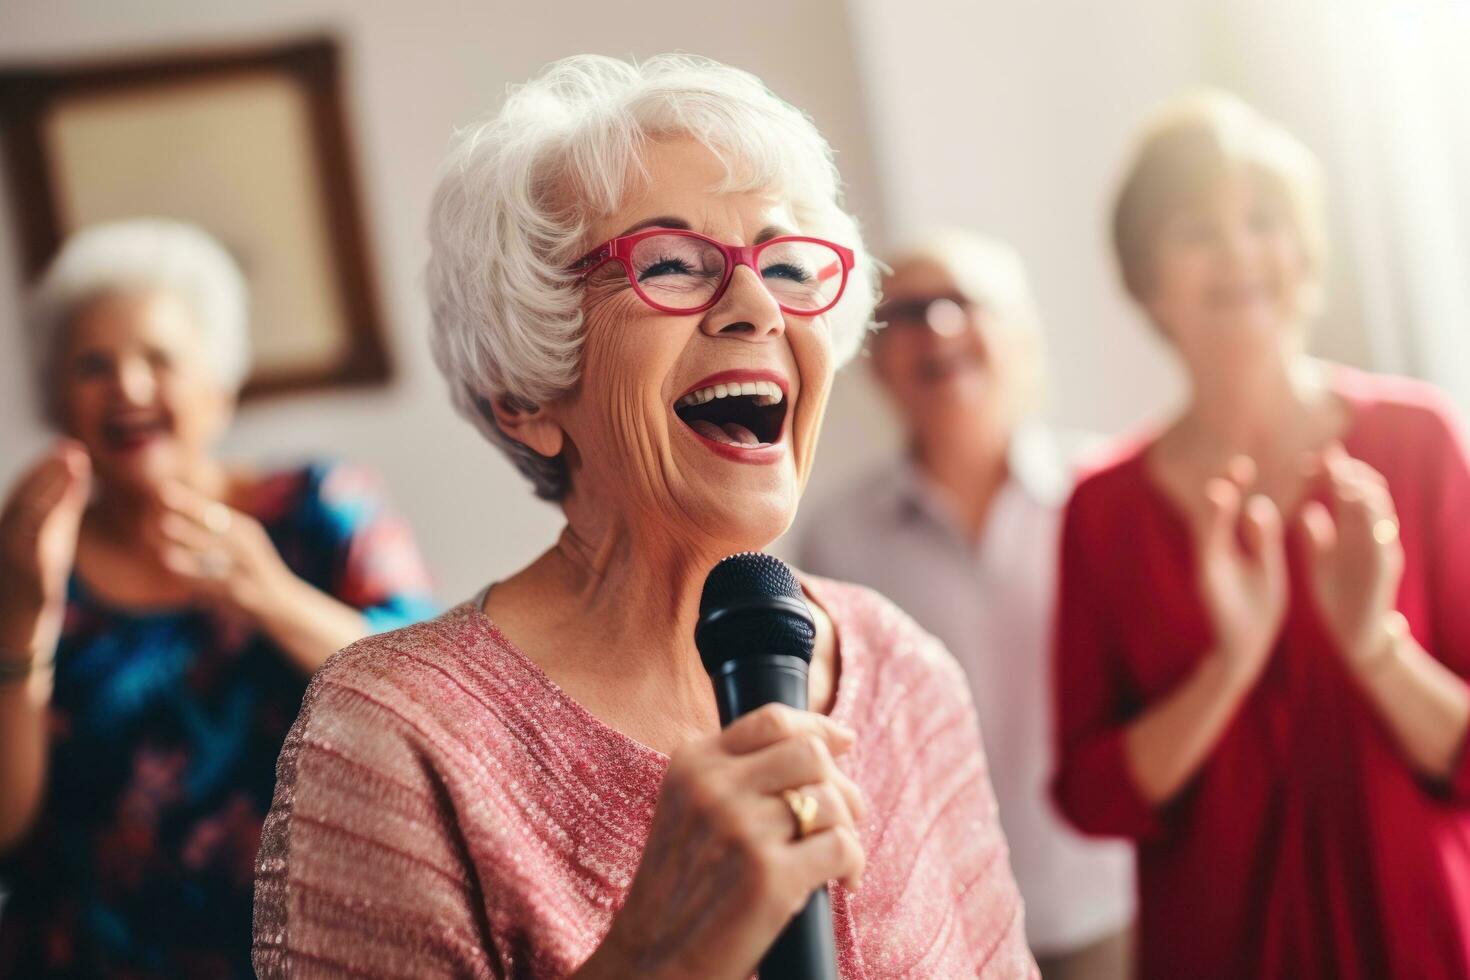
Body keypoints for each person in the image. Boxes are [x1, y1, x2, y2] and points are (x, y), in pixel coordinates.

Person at [251, 54, 1037, 979]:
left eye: (785, 264)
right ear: (526, 396)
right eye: (669, 264)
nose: (755, 306)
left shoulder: (906, 672)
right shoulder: (394, 737)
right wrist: (655, 958)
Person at [1052, 91, 1470, 979]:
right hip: (1217, 952)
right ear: (1147, 277)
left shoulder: (1420, 440)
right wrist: (1228, 666)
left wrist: (1376, 646)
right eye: (1198, 229)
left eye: (1264, 221)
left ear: (1307, 253)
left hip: (1424, 939)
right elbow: (1090, 794)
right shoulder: (1101, 508)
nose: (1240, 251)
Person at [0, 219, 436, 978]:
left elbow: (438, 704)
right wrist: (19, 611)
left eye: (159, 358)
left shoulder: (318, 508)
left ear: (218, 384)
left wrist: (267, 595)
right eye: (93, 364)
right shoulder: (28, 554)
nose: (128, 387)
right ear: (57, 399)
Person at [798, 229, 1134, 980]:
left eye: (963, 303)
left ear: (1021, 336)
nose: (939, 328)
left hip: (1115, 908)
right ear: (877, 362)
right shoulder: (837, 540)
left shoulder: (1109, 496)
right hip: (945, 930)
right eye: (911, 311)